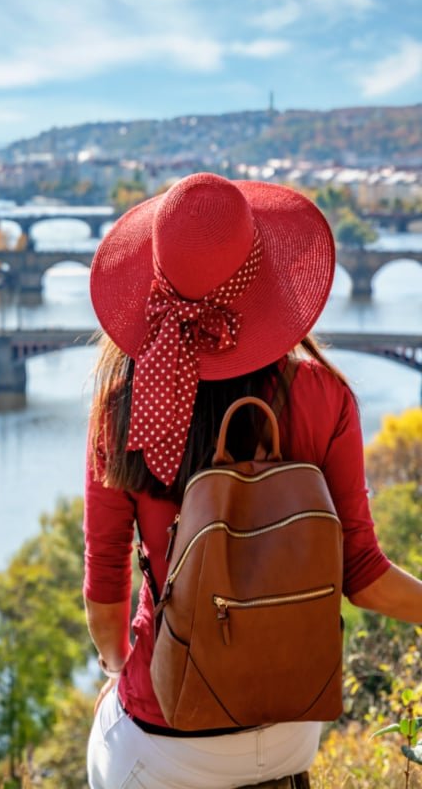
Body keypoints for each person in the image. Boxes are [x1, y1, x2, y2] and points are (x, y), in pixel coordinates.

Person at [83, 172, 422, 789]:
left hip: (169, 737)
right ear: (265, 279)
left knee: (110, 726)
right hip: (292, 722)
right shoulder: (325, 396)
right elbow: (364, 576)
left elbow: (104, 585)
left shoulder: (125, 404)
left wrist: (117, 667)